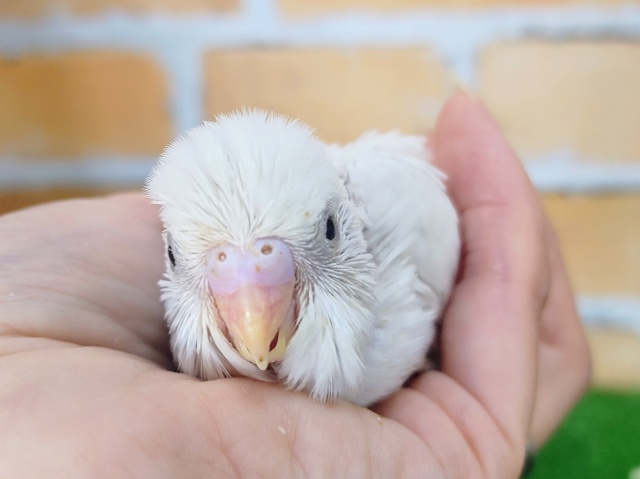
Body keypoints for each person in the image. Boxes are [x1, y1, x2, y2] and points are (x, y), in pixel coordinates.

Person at [0, 91, 590, 478]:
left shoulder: (398, 207)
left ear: (349, 219)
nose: (253, 314)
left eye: (326, 235)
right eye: (189, 256)